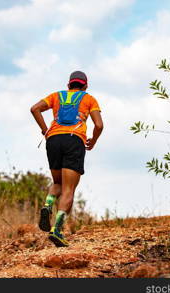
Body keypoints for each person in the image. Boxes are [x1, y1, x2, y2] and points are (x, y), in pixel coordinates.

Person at [30, 71, 103, 247]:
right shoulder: (89, 99)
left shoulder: (56, 96)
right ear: (85, 86)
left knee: (58, 183)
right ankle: (57, 229)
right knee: (69, 189)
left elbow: (34, 109)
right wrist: (93, 140)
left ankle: (48, 204)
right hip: (73, 139)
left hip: (53, 140)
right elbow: (99, 125)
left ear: (68, 85)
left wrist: (45, 130)